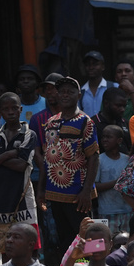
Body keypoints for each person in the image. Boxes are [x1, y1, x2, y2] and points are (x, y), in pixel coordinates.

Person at [37, 76, 99, 254]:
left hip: (78, 193)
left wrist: (87, 191)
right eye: (61, 91)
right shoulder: (50, 122)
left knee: (88, 235)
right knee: (64, 238)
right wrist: (42, 189)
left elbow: (93, 157)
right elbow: (47, 158)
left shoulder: (85, 122)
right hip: (55, 193)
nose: (65, 95)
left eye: (70, 92)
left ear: (78, 95)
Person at [0, 92, 39, 249]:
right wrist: (7, 154)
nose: (11, 112)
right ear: (0, 112)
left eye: (14, 108)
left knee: (29, 244)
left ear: (20, 109)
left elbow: (21, 166)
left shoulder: (28, 134)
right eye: (6, 109)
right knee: (5, 246)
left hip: (23, 198)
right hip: (1, 197)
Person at [92, 87, 132, 154]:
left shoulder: (125, 123)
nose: (122, 109)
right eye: (118, 106)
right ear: (106, 103)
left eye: (124, 106)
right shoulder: (93, 124)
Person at [80, 50, 118, 117]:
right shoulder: (80, 92)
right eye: (88, 65)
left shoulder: (114, 87)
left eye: (95, 64)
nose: (91, 67)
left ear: (103, 67)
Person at [114, 59, 134, 123]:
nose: (123, 74)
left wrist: (132, 92)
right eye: (119, 71)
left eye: (127, 71)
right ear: (116, 77)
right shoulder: (111, 95)